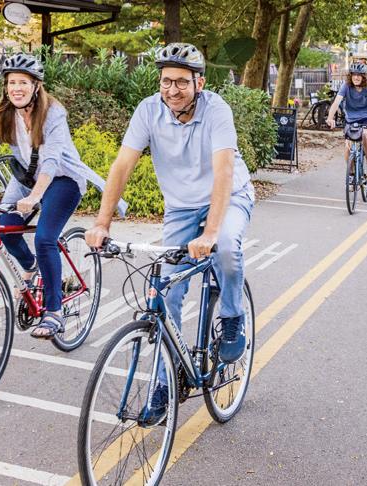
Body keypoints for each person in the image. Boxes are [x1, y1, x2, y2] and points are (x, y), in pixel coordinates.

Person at [85, 42, 254, 423]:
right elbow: (122, 166)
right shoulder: (148, 110)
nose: (172, 89)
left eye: (181, 81)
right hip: (180, 206)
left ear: (199, 83)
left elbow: (224, 172)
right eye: (166, 81)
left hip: (228, 197)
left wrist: (210, 233)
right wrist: (102, 223)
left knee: (227, 248)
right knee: (167, 290)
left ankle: (232, 318)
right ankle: (166, 380)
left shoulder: (216, 111)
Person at [0, 52, 125, 339]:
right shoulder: (4, 116)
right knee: (5, 229)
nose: (17, 88)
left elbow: (51, 161)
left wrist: (35, 197)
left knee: (45, 238)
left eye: (23, 82)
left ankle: (54, 312)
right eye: (12, 82)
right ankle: (32, 266)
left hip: (62, 180)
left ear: (36, 85)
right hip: (26, 181)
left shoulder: (53, 113)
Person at [327, 62, 367, 179]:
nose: (356, 77)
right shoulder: (346, 86)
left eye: (359, 75)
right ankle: (351, 173)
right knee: (348, 144)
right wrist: (330, 118)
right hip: (351, 119)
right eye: (354, 74)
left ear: (364, 77)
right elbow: (336, 102)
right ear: (350, 76)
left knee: (365, 135)